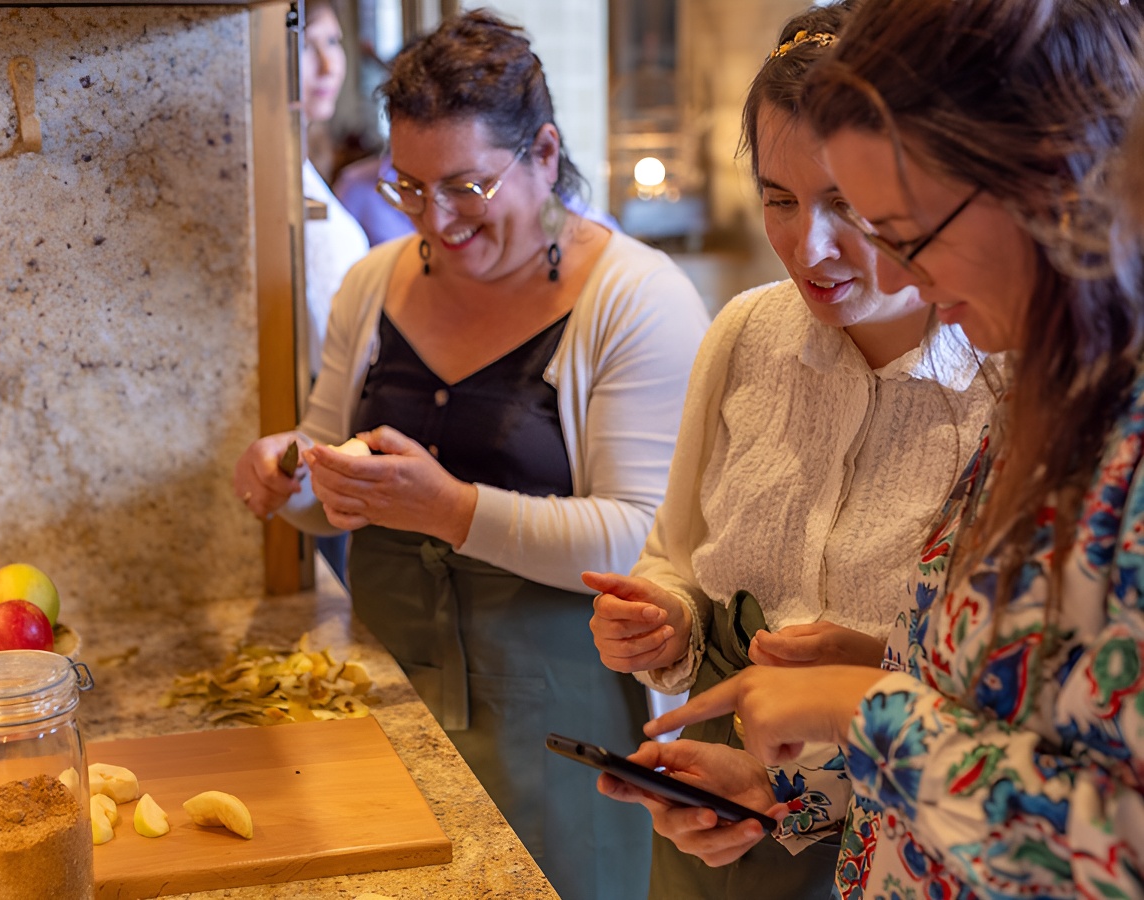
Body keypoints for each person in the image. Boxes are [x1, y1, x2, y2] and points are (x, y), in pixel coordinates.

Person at [616, 1, 1144, 896]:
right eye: (781, 201)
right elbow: (979, 735)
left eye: (906, 227)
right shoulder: (1042, 411)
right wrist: (793, 793)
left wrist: (856, 702)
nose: (895, 275)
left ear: (1051, 189)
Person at [233, 10, 710, 899]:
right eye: (409, 188)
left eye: (467, 187)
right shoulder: (373, 282)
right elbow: (329, 449)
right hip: (381, 682)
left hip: (558, 701)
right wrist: (291, 468)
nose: (437, 219)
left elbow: (643, 540)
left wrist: (447, 508)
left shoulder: (635, 297)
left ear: (541, 153)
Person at [586, 4, 997, 898]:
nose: (807, 246)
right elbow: (677, 556)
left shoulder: (1002, 379)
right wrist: (663, 619)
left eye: (847, 205)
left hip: (897, 819)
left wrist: (870, 668)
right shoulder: (746, 333)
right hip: (714, 799)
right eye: (778, 199)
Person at [300, 0, 369, 584]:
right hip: (320, 439)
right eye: (305, 45)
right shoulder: (287, 176)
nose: (327, 65)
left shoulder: (312, 167)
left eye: (335, 44)